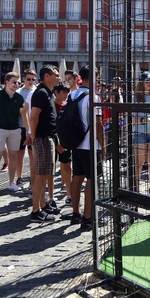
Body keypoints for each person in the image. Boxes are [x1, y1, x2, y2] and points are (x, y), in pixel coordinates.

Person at [68, 66, 102, 231]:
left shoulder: (72, 94)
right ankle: (88, 217)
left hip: (76, 143)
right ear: (93, 77)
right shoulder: (93, 97)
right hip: (90, 144)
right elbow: (98, 123)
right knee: (91, 180)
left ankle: (76, 213)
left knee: (77, 177)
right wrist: (104, 143)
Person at [0, 72, 28, 195]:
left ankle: (11, 183)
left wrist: (27, 129)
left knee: (13, 156)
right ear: (7, 82)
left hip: (15, 129)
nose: (17, 84)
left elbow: (23, 114)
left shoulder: (19, 97)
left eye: (18, 82)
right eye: (14, 82)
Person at [26, 65, 60, 222]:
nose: (58, 77)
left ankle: (41, 205)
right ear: (47, 76)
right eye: (56, 74)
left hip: (47, 137)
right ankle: (35, 211)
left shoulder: (47, 92)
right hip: (43, 138)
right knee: (40, 174)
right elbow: (33, 117)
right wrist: (34, 137)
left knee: (45, 173)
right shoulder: (41, 92)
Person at [16, 69, 38, 186]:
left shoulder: (37, 91)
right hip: (20, 126)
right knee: (19, 153)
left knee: (32, 154)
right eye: (29, 79)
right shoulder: (19, 92)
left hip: (32, 126)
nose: (31, 81)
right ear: (24, 79)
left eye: (33, 79)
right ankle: (19, 177)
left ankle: (32, 178)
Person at [53, 84, 72, 203]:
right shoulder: (50, 105)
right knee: (50, 168)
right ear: (57, 92)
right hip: (52, 139)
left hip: (65, 141)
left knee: (67, 166)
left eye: (67, 93)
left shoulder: (67, 106)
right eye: (63, 92)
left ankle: (69, 194)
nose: (65, 95)